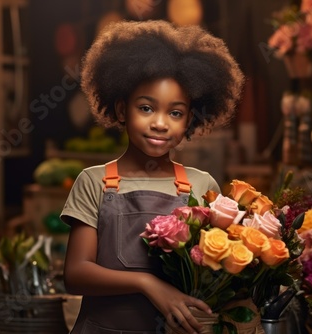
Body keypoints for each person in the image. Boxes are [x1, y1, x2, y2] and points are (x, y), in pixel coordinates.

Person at [61, 20, 244, 334]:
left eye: (175, 113)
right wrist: (147, 283)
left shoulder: (202, 186)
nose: (160, 124)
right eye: (146, 108)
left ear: (189, 121)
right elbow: (76, 274)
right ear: (121, 110)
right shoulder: (94, 181)